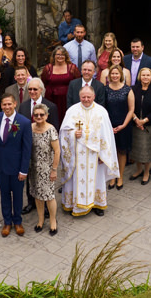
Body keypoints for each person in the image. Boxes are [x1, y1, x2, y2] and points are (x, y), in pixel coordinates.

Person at [59, 85, 118, 217]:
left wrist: (104, 154)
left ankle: (97, 203)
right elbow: (63, 132)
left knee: (96, 179)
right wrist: (73, 133)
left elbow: (107, 135)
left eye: (88, 97)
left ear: (94, 97)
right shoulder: (72, 110)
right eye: (83, 97)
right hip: (77, 154)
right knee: (77, 179)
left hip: (95, 155)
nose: (86, 99)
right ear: (79, 97)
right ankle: (73, 204)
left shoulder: (101, 111)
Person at [0, 95, 32, 236]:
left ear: (15, 104)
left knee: (17, 195)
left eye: (9, 104)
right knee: (4, 195)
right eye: (4, 104)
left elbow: (27, 149)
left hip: (17, 167)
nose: (7, 107)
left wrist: (24, 170)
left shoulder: (24, 122)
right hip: (1, 165)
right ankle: (7, 222)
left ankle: (17, 221)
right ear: (1, 105)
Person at [28, 99, 61, 234]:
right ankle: (40, 220)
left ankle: (53, 221)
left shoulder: (51, 129)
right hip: (33, 168)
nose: (39, 117)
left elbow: (57, 151)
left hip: (47, 169)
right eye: (36, 115)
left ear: (46, 116)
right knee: (37, 195)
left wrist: (54, 170)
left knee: (49, 196)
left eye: (42, 114)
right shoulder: (30, 128)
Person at [103, 65, 135, 190]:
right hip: (109, 126)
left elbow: (131, 109)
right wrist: (108, 126)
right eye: (112, 74)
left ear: (121, 75)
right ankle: (112, 176)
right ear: (109, 76)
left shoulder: (128, 90)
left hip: (124, 125)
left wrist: (124, 125)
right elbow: (103, 109)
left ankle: (120, 176)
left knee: (122, 151)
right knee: (111, 152)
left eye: (117, 74)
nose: (115, 76)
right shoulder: (105, 90)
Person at [129, 66, 151, 184]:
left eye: (147, 75)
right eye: (143, 75)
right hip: (135, 124)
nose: (145, 77)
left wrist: (144, 121)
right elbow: (130, 106)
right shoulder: (133, 89)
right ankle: (138, 169)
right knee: (136, 149)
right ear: (139, 77)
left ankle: (146, 172)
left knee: (147, 150)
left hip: (149, 125)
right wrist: (136, 120)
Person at [40, 46, 77, 120]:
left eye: (62, 54)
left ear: (66, 56)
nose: (60, 56)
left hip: (67, 99)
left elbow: (77, 83)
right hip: (51, 99)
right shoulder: (48, 68)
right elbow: (44, 82)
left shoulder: (72, 68)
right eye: (58, 54)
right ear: (54, 56)